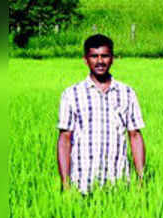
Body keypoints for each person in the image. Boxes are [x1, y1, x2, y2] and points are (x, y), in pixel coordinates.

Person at [57, 34, 146, 194]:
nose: (100, 61)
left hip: (118, 185)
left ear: (112, 59)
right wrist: (65, 184)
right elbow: (65, 139)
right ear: (85, 59)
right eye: (94, 56)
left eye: (104, 56)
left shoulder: (127, 93)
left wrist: (141, 179)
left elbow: (135, 136)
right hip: (81, 185)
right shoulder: (72, 94)